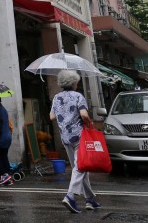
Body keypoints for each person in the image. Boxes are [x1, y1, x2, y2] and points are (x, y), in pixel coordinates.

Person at [49, 69, 101, 214]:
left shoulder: (56, 97)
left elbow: (52, 116)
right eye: (76, 82)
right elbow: (84, 115)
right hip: (79, 136)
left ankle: (90, 199)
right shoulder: (78, 96)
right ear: (73, 83)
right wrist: (89, 122)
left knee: (78, 167)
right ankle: (70, 196)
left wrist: (64, 114)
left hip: (65, 137)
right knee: (80, 167)